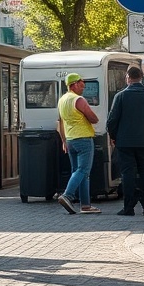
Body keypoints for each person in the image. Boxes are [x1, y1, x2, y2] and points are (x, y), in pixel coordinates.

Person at [106, 66, 144, 216]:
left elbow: (112, 120)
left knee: (127, 173)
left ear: (127, 78)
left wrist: (114, 136)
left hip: (125, 142)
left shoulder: (121, 96)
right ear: (141, 77)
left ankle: (128, 207)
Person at [56, 72, 100, 215]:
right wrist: (92, 117)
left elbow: (60, 123)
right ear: (74, 84)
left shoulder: (62, 100)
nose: (84, 85)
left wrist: (63, 140)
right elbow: (93, 118)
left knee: (78, 172)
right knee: (83, 170)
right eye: (81, 83)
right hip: (83, 139)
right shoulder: (78, 100)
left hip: (70, 140)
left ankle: (85, 205)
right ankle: (67, 195)